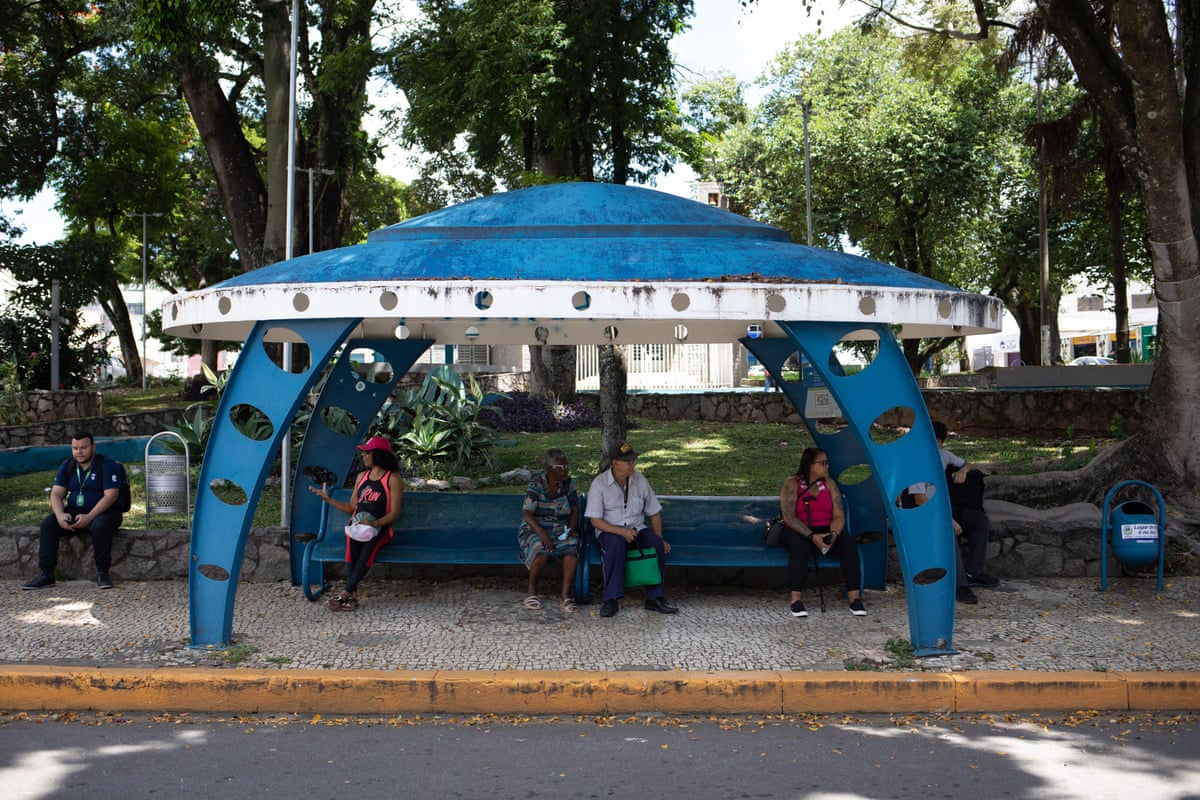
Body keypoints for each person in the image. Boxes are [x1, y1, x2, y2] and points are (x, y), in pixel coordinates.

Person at [903, 420, 1000, 605]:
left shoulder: (944, 456)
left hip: (945, 509)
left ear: (940, 442)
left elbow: (969, 464)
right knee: (949, 532)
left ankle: (973, 573)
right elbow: (920, 500)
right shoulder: (916, 462)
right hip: (925, 513)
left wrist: (963, 471)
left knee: (980, 521)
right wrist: (948, 519)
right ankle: (959, 585)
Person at [309, 435, 404, 612]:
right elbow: (351, 507)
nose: (363, 456)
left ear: (379, 455)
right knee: (352, 545)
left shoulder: (392, 478)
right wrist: (328, 500)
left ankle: (345, 593)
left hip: (380, 529)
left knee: (368, 547)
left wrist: (375, 523)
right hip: (357, 528)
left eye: (367, 453)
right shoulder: (362, 477)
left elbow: (394, 513)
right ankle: (351, 597)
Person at [585, 441, 677, 618]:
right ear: (615, 463)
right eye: (627, 461)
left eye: (633, 460)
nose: (632, 464)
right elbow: (595, 521)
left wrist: (660, 538)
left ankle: (655, 598)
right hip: (610, 531)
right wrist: (621, 532)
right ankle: (611, 599)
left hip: (637, 529)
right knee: (616, 544)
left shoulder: (640, 480)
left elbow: (654, 512)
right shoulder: (600, 484)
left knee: (655, 543)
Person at [23, 431, 125, 590]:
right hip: (75, 512)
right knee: (48, 524)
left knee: (100, 526)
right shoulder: (68, 466)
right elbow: (56, 494)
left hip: (104, 513)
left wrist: (89, 517)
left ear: (93, 447)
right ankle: (46, 574)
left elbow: (111, 496)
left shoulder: (107, 464)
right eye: (75, 448)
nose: (79, 452)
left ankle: (102, 572)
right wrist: (60, 515)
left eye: (83, 448)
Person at [779, 447, 866, 617]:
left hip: (826, 529)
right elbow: (789, 517)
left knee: (848, 545)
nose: (827, 466)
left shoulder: (829, 484)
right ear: (810, 465)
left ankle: (854, 599)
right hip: (800, 530)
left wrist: (833, 534)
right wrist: (811, 536)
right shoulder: (792, 483)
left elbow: (839, 515)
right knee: (800, 547)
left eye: (827, 462)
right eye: (823, 463)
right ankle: (796, 600)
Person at [518, 448, 581, 613]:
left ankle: (565, 596)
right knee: (540, 547)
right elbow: (527, 513)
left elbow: (575, 510)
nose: (566, 470)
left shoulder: (568, 484)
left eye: (567, 466)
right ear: (549, 469)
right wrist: (542, 533)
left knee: (572, 547)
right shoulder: (537, 483)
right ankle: (531, 592)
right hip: (535, 527)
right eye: (561, 467)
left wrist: (571, 529)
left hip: (560, 527)